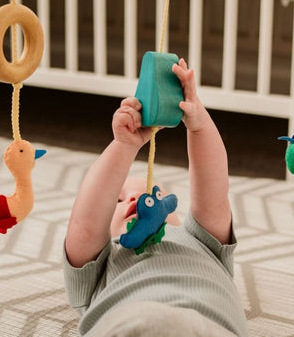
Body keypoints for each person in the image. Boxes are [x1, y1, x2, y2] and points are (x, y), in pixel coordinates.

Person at [64, 59, 248, 337]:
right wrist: (123, 145)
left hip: (206, 325)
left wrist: (200, 126)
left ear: (174, 212)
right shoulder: (100, 265)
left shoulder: (201, 241)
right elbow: (86, 223)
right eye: (117, 199)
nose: (135, 199)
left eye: (151, 194)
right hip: (133, 322)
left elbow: (213, 192)